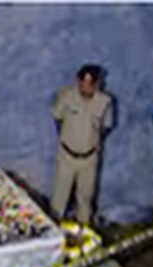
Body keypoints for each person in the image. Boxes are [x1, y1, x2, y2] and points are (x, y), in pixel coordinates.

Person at [51, 64, 114, 225]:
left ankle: (84, 232)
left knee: (85, 199)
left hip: (89, 159)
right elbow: (57, 118)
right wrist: (70, 141)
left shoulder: (105, 102)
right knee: (59, 199)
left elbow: (105, 127)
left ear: (97, 84)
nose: (85, 87)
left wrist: (90, 143)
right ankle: (53, 235)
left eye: (90, 84)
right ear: (77, 81)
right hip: (67, 156)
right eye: (82, 83)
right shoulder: (66, 96)